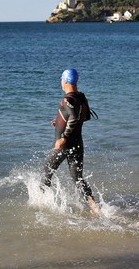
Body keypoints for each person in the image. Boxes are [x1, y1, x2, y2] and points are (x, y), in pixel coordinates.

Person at [43, 68, 100, 214]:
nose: (61, 83)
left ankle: (43, 207)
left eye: (61, 80)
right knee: (78, 179)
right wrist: (61, 120)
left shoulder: (67, 99)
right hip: (77, 144)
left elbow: (74, 117)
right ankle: (94, 207)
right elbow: (84, 117)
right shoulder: (81, 98)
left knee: (46, 174)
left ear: (65, 81)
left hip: (64, 145)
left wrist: (63, 137)